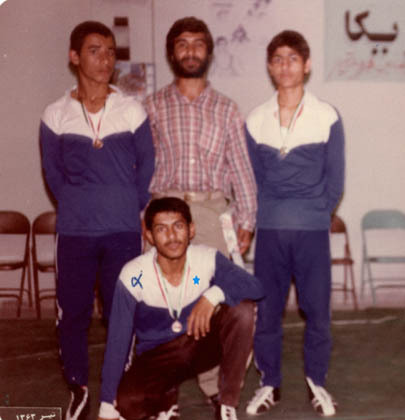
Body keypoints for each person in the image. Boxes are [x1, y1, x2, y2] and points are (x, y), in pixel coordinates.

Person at [39, 21, 155, 420]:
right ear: (74, 57)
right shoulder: (55, 114)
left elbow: (147, 169)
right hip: (75, 232)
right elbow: (53, 174)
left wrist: (127, 204)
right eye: (94, 51)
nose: (105, 59)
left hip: (123, 230)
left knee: (122, 311)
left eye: (110, 51)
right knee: (72, 312)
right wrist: (78, 204)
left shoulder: (132, 110)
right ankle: (79, 387)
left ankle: (117, 389)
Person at [143, 16, 257, 404]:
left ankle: (213, 387)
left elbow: (240, 168)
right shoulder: (152, 106)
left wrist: (247, 220)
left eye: (198, 44)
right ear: (171, 52)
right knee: (162, 301)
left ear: (208, 52)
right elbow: (140, 167)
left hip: (210, 212)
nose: (190, 51)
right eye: (182, 44)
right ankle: (166, 393)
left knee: (214, 301)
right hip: (165, 213)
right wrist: (142, 217)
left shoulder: (227, 109)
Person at [244, 30, 345, 417]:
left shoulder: (326, 116)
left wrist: (315, 214)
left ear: (307, 65)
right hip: (270, 232)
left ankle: (317, 383)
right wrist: (268, 215)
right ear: (269, 67)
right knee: (267, 313)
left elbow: (335, 180)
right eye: (277, 59)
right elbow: (254, 180)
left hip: (312, 232)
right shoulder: (255, 119)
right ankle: (269, 383)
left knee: (317, 312)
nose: (285, 66)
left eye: (292, 58)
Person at [97, 197, 263, 420]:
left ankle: (227, 404)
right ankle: (166, 399)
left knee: (243, 310)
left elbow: (255, 286)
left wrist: (212, 296)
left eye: (178, 226)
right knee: (127, 404)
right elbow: (118, 340)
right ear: (149, 235)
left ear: (191, 230)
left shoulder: (205, 259)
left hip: (198, 342)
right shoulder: (135, 276)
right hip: (158, 355)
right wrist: (107, 404)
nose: (172, 236)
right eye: (161, 229)